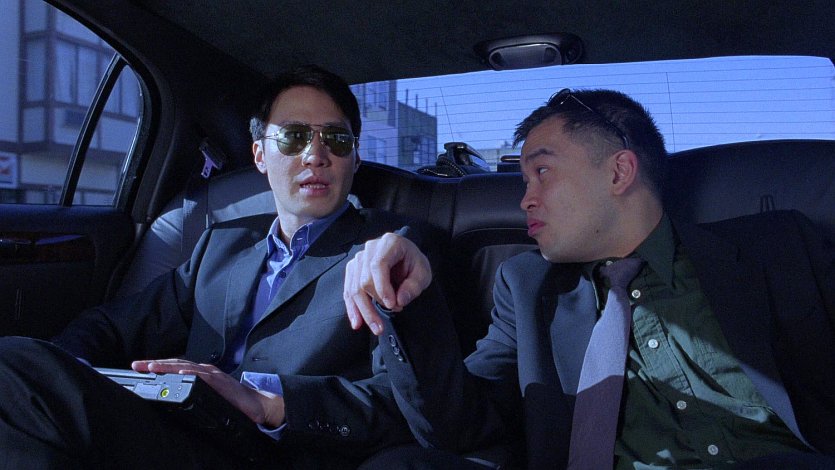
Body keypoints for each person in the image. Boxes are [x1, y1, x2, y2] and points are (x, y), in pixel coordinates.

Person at [344, 89, 835, 469]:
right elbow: (460, 430)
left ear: (619, 172)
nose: (525, 199)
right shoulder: (527, 288)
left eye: (542, 172)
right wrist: (407, 300)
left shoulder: (780, 246)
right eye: (525, 181)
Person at [0, 65, 433, 469]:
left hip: (278, 450)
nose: (315, 155)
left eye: (336, 139)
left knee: (17, 371)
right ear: (260, 155)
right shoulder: (220, 244)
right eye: (293, 137)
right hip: (175, 427)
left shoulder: (392, 250)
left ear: (355, 157)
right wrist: (70, 371)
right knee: (21, 375)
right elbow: (112, 326)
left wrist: (269, 404)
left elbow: (408, 403)